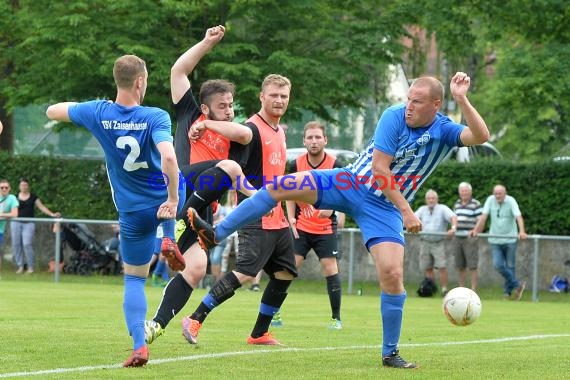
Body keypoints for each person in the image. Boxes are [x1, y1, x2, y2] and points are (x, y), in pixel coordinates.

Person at [189, 72, 490, 369]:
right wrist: (407, 211)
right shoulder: (393, 115)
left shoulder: (444, 129)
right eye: (409, 98)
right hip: (348, 183)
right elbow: (380, 169)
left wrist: (461, 98)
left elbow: (480, 136)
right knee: (278, 187)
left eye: (418, 102)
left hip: (382, 209)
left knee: (392, 274)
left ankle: (390, 353)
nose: (409, 106)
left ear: (436, 105)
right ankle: (217, 233)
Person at [46, 54, 184, 367]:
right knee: (184, 178)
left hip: (132, 212)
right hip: (162, 202)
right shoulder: (155, 116)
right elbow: (170, 159)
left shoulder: (98, 111)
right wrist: (173, 199)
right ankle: (171, 233)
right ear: (140, 82)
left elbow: (52, 111)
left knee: (134, 280)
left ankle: (139, 346)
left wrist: (88, 109)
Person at [143, 25, 256, 346]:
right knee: (231, 168)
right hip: (180, 188)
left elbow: (246, 135)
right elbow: (178, 70)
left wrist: (211, 123)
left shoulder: (233, 132)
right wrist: (206, 43)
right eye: (223, 105)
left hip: (201, 209)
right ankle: (263, 199)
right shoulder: (190, 113)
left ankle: (156, 324)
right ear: (204, 107)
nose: (230, 110)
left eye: (232, 104)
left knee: (196, 268)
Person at [185, 73, 295, 347]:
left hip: (278, 217)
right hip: (254, 214)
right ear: (262, 97)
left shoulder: (280, 131)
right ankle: (195, 318)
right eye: (273, 95)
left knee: (284, 274)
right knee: (245, 273)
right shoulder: (251, 128)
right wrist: (207, 124)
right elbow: (240, 132)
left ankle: (259, 333)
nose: (279, 100)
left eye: (283, 96)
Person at [284, 121, 345, 329]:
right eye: (309, 137)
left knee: (330, 268)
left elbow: (345, 192)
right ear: (304, 141)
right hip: (301, 227)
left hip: (325, 228)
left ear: (325, 140)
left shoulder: (336, 164)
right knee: (288, 269)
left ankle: (336, 319)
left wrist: (333, 206)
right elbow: (288, 192)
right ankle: (273, 313)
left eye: (318, 137)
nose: (314, 141)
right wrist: (290, 218)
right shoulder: (296, 164)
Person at [471, 184, 527, 300]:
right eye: (495, 193)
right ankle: (517, 286)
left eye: (499, 193)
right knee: (498, 264)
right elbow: (483, 217)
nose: (497, 196)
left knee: (510, 266)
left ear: (505, 193)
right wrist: (476, 230)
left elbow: (519, 217)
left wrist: (522, 231)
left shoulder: (511, 201)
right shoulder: (490, 200)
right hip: (495, 239)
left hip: (510, 239)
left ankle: (507, 293)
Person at [11, 178, 60, 274]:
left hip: (29, 224)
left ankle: (30, 267)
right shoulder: (15, 197)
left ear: (28, 186)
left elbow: (41, 207)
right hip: (16, 223)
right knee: (16, 245)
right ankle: (20, 266)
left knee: (27, 244)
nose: (24, 187)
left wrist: (52, 214)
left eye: (25, 185)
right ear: (19, 186)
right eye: (22, 185)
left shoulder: (33, 197)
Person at [414, 189, 456, 297]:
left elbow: (453, 217)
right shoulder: (422, 210)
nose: (431, 200)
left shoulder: (442, 208)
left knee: (442, 266)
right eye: (429, 198)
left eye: (433, 198)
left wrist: (453, 228)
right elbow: (414, 218)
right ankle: (430, 290)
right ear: (426, 200)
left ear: (436, 199)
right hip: (425, 241)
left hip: (438, 242)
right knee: (427, 267)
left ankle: (444, 290)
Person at [450, 182, 482, 291]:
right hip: (457, 237)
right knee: (460, 265)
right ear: (459, 192)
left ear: (470, 192)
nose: (464, 193)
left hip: (470, 238)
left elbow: (480, 220)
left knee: (472, 265)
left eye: (466, 191)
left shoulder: (476, 204)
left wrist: (475, 230)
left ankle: (473, 289)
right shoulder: (457, 204)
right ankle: (461, 289)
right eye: (462, 191)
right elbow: (454, 218)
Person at [0, 179, 19, 278]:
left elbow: (15, 214)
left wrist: (2, 214)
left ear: (9, 189)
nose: (4, 189)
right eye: (2, 187)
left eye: (6, 187)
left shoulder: (12, 198)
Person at [150, 220, 175, 287]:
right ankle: (156, 275)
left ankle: (165, 279)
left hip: (166, 229)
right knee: (161, 254)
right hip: (163, 231)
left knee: (164, 255)